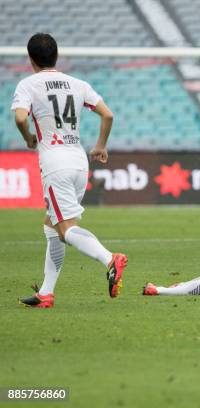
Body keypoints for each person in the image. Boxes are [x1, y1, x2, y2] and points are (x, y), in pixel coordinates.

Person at [12, 33, 127, 308]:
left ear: (30, 59)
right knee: (52, 225)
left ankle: (109, 258)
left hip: (55, 163)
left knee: (66, 229)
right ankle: (46, 294)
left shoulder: (28, 84)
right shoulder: (77, 83)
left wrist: (28, 136)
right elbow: (108, 114)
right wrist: (100, 145)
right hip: (78, 161)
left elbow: (19, 116)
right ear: (57, 56)